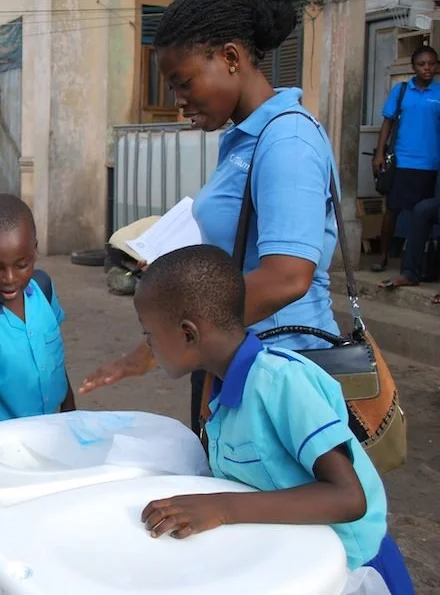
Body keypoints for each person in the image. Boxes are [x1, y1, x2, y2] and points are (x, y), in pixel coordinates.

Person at [81, 0, 341, 436]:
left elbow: (287, 276)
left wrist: (173, 340)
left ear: (231, 58)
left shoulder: (287, 141)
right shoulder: (243, 137)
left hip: (281, 367)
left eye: (184, 82)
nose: (179, 100)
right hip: (234, 353)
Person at [135, 245, 413, 594]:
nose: (148, 345)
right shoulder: (221, 387)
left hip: (352, 566)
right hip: (293, 556)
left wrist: (221, 507)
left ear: (189, 334)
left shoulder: (281, 382)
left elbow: (348, 497)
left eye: (149, 334)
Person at [0, 193, 76, 422]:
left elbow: (55, 358)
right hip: (8, 441)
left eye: (22, 265)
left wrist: (71, 411)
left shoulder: (44, 289)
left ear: (34, 251)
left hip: (56, 427)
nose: (10, 278)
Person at [372, 45, 439, 273]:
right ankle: (382, 257)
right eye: (422, 64)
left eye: (431, 64)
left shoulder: (439, 93)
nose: (427, 68)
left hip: (431, 165)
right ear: (414, 67)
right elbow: (387, 124)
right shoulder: (400, 91)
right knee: (392, 210)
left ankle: (419, 263)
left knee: (425, 216)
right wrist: (380, 154)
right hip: (402, 163)